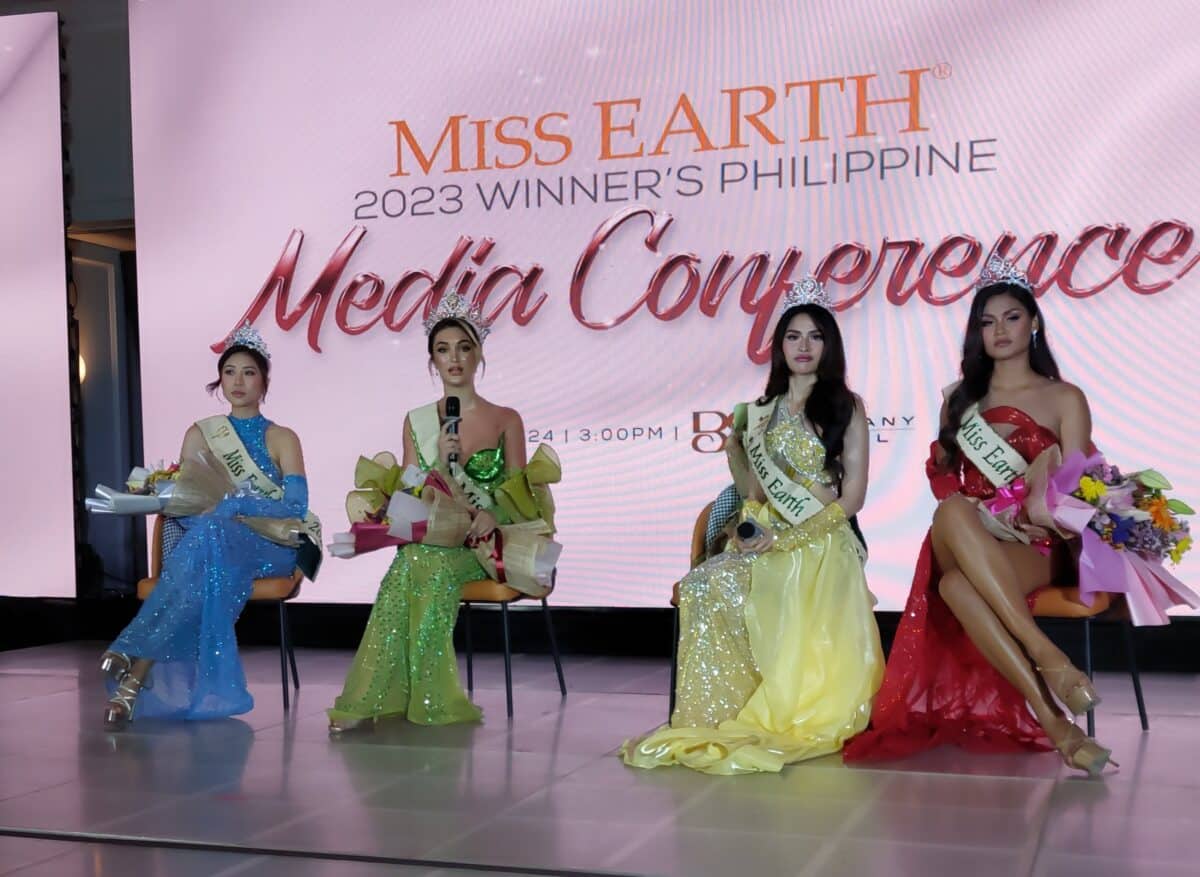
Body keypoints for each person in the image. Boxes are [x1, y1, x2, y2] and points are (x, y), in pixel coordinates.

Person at [843, 256, 1114, 775]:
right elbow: (943, 477)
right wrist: (984, 506)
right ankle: (1049, 658)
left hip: (1035, 539)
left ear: (1033, 322)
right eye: (986, 322)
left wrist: (1033, 511)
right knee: (952, 510)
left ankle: (1055, 724)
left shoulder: (1064, 397)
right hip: (966, 529)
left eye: (1011, 317)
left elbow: (1078, 483)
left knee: (957, 590)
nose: (1000, 330)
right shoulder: (961, 402)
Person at [621, 277, 883, 774]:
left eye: (814, 336)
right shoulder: (761, 411)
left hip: (822, 539)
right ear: (779, 346)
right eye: (792, 336)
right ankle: (717, 710)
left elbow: (853, 498)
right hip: (765, 532)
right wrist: (736, 455)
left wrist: (789, 538)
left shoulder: (847, 407)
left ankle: (787, 700)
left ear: (830, 346)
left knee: (769, 585)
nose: (803, 347)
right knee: (703, 582)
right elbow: (754, 496)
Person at [328, 293, 531, 731]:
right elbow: (410, 492)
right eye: (443, 350)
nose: (454, 358)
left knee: (425, 566)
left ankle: (425, 697)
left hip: (484, 543)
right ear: (432, 362)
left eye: (463, 347)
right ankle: (376, 697)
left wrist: (493, 514)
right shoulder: (417, 421)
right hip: (438, 536)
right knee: (412, 561)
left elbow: (521, 496)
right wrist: (440, 458)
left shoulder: (505, 419)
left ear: (479, 354)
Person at [100, 324, 316, 729]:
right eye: (230, 371)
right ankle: (134, 679)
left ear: (264, 381)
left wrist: (236, 503)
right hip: (215, 545)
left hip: (269, 544)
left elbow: (296, 505)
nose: (238, 381)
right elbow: (188, 503)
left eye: (249, 372)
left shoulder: (283, 437)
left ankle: (134, 661)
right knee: (210, 548)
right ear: (220, 380)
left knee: (210, 543)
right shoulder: (202, 434)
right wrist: (212, 511)